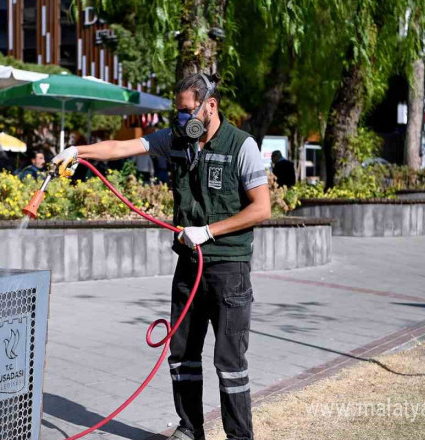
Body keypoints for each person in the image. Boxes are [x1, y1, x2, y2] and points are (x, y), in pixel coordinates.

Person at [52, 73, 269, 440]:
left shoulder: (240, 146)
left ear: (210, 105)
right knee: (182, 354)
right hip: (189, 265)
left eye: (188, 111)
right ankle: (190, 429)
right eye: (179, 111)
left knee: (229, 362)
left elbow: (261, 209)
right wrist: (78, 151)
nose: (182, 119)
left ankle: (239, 437)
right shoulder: (175, 140)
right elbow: (123, 148)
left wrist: (209, 230)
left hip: (228, 269)